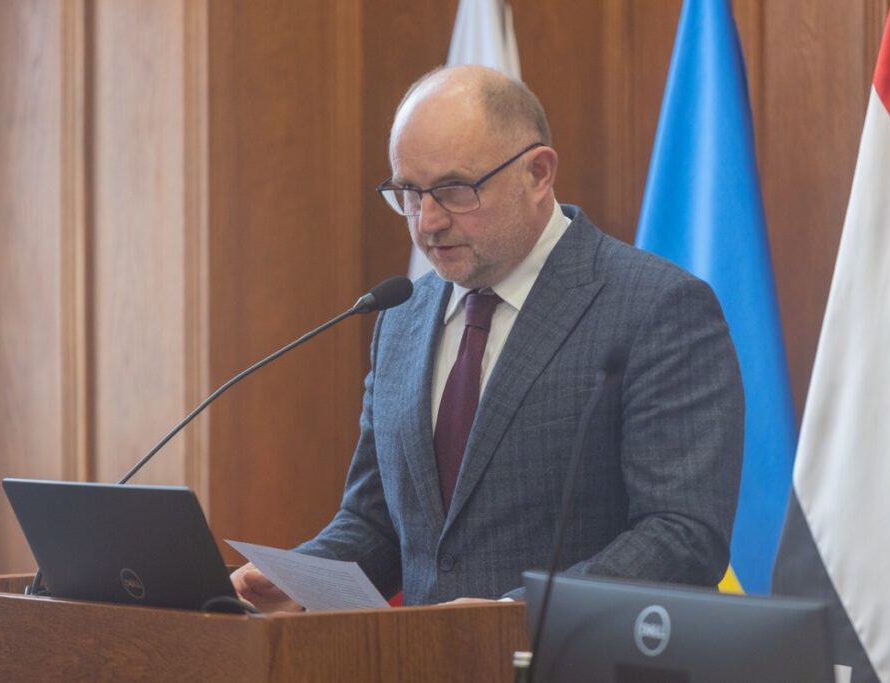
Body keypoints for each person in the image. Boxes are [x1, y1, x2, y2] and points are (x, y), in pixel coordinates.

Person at [232, 65, 744, 611]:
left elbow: (682, 537)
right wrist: (300, 576)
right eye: (408, 191)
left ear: (538, 173)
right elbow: (375, 523)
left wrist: (515, 616)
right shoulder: (400, 318)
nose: (427, 221)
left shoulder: (657, 306)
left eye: (454, 190)